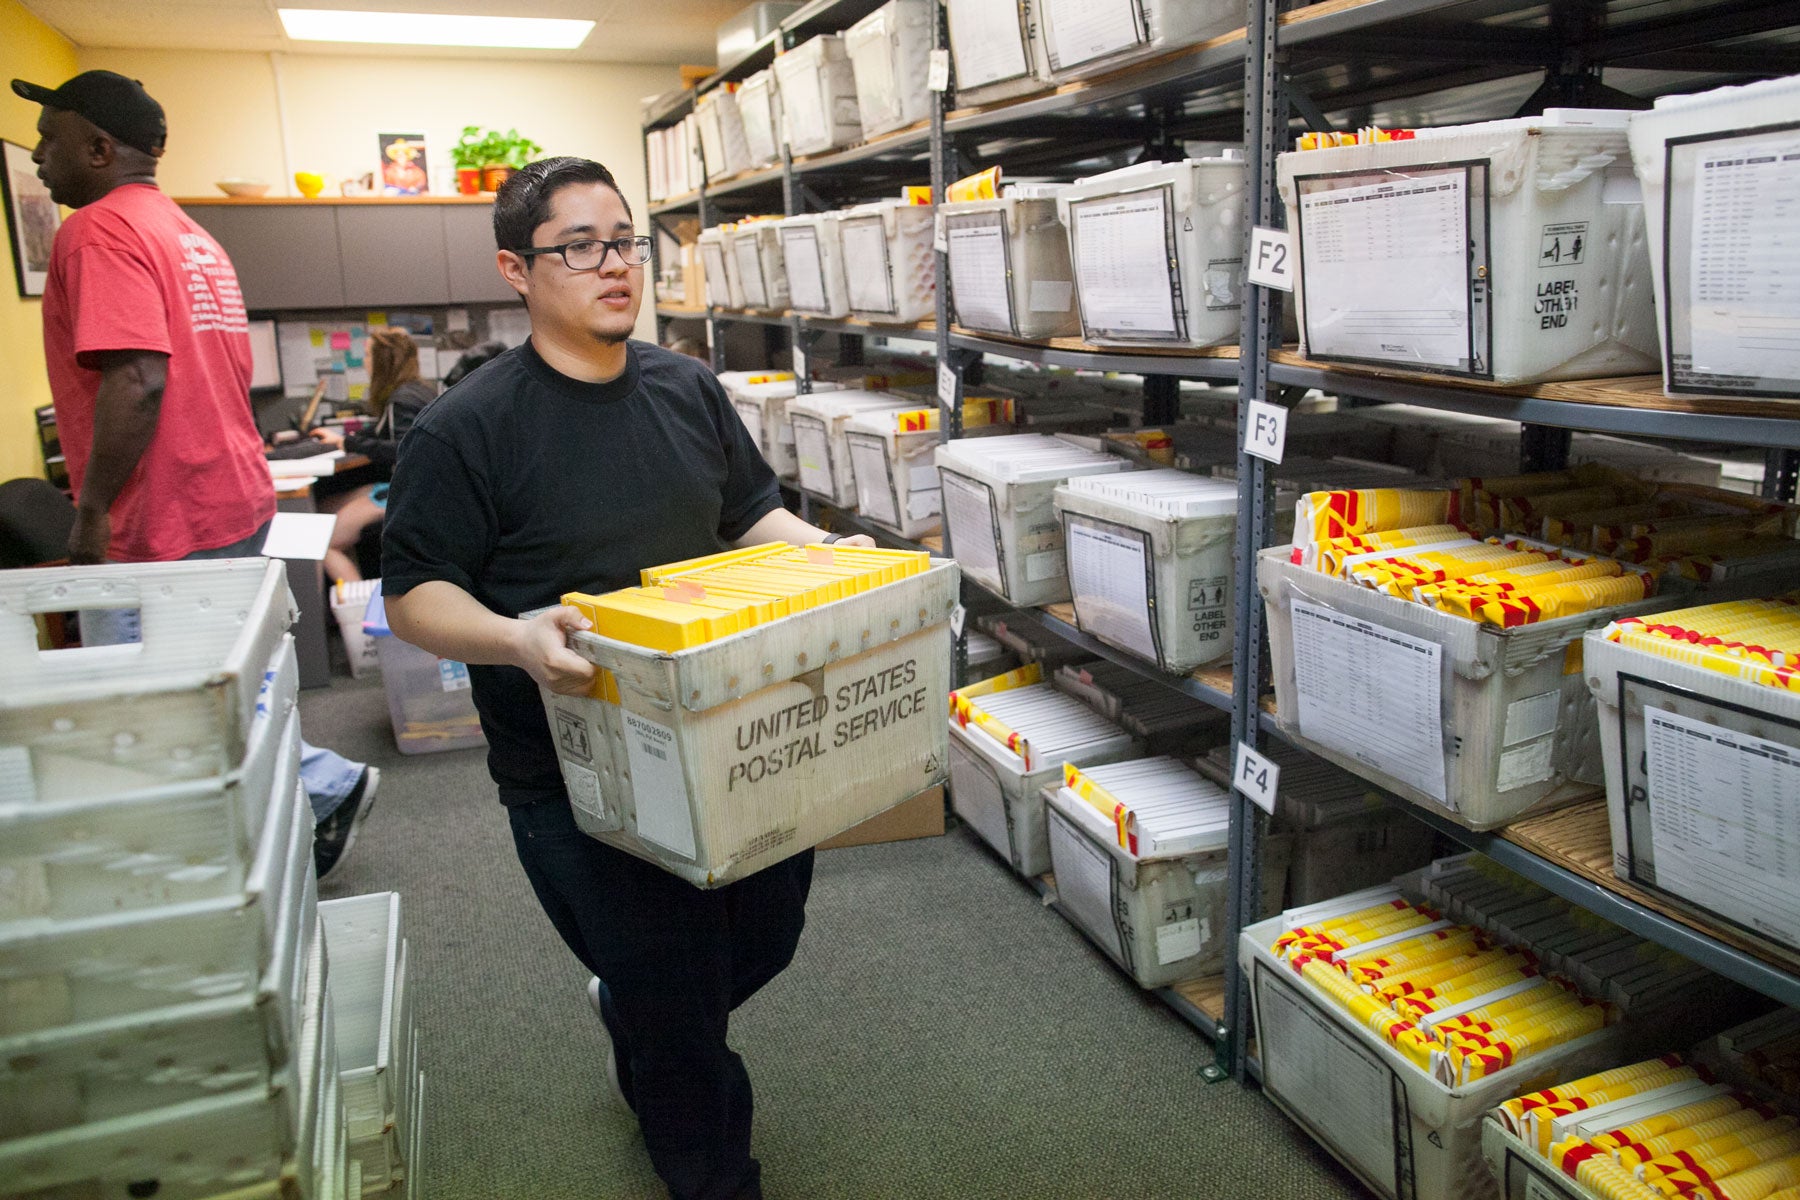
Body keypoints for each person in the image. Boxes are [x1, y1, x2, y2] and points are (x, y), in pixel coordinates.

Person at [379, 156, 873, 1200]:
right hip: (577, 777)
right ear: (518, 269)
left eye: (625, 241)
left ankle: (635, 1009)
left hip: (729, 743)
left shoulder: (686, 387)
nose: (614, 266)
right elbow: (413, 594)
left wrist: (843, 565)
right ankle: (710, 1170)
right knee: (683, 1020)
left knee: (766, 941)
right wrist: (516, 638)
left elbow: (749, 514)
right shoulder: (468, 429)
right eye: (580, 246)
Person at [16, 69, 377, 879]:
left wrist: (92, 512)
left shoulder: (99, 232)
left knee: (161, 707)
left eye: (52, 138)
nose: (39, 157)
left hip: (161, 516)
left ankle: (265, 832)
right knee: (229, 680)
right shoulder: (188, 234)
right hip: (230, 496)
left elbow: (138, 377)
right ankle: (308, 800)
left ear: (101, 148)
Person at [305, 326, 436, 582]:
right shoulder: (414, 391)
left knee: (324, 543)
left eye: (368, 355)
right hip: (411, 486)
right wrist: (346, 441)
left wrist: (350, 444)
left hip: (410, 493)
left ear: (383, 362)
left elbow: (403, 448)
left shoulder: (402, 399)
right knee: (323, 508)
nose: (365, 362)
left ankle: (359, 618)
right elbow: (379, 434)